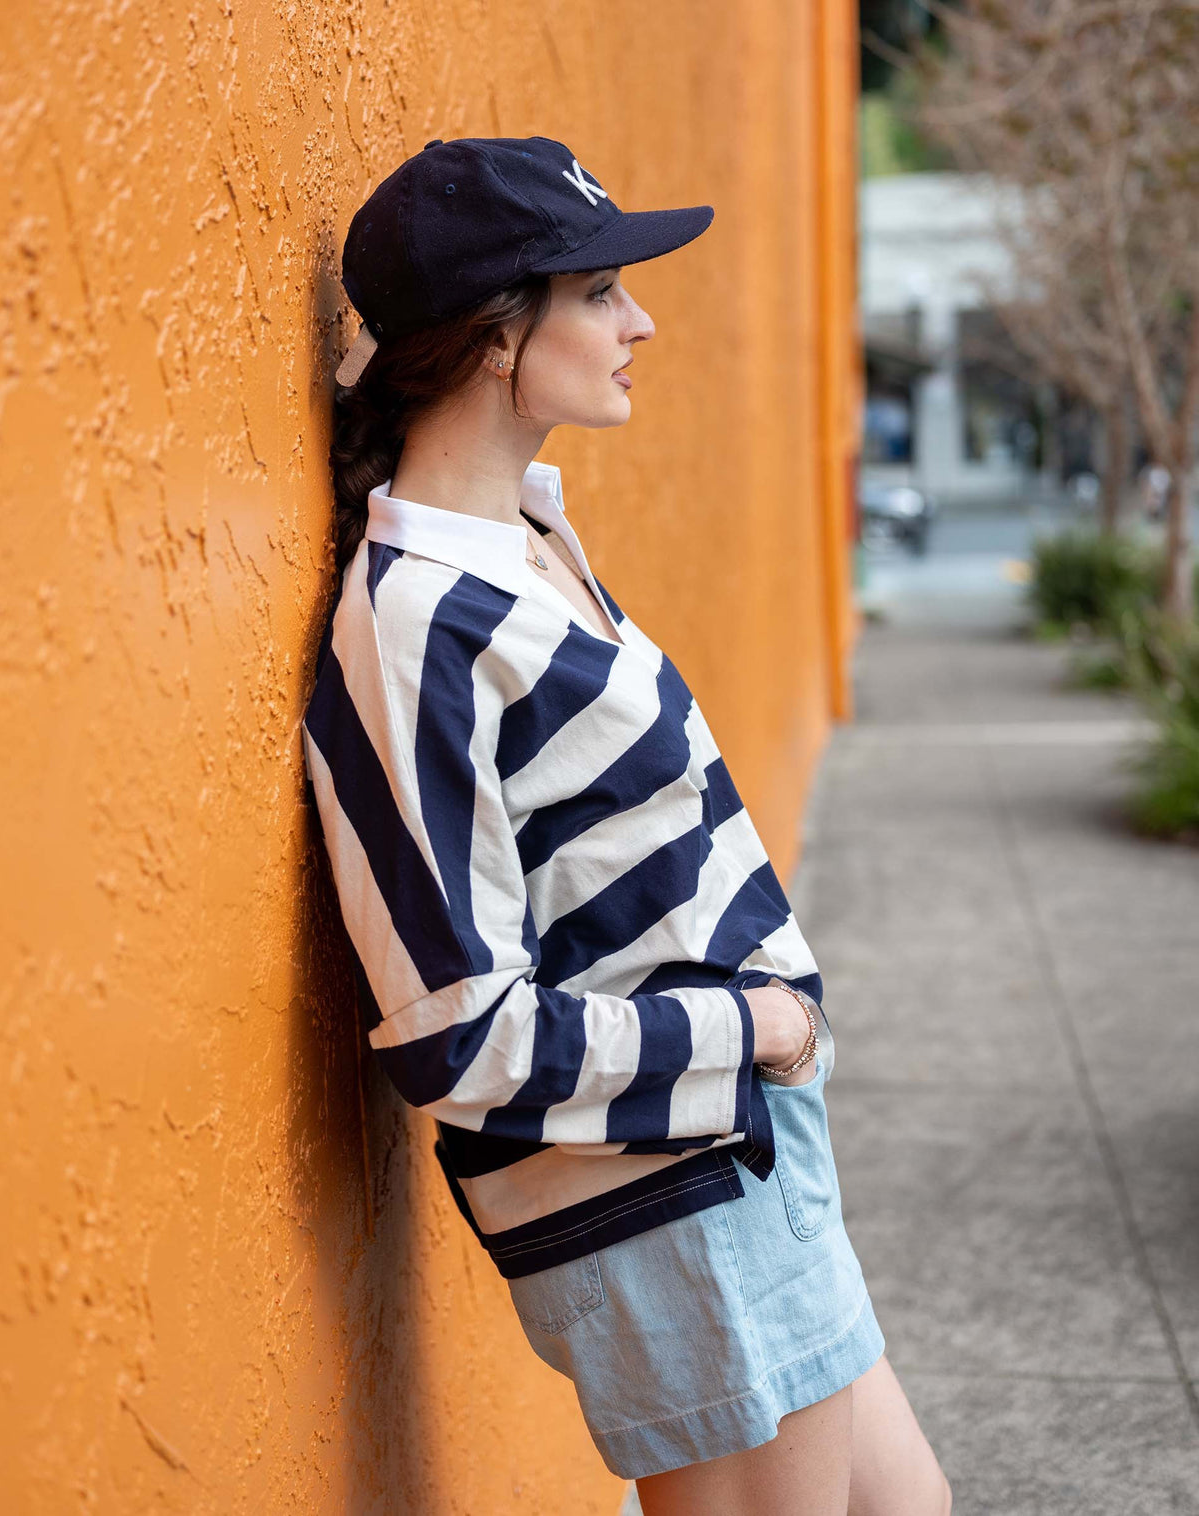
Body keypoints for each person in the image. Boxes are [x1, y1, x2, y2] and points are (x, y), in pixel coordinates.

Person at [302, 135, 950, 1516]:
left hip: (735, 1145)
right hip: (660, 1193)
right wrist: (758, 1029)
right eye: (599, 291)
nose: (640, 320)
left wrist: (776, 1051)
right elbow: (456, 1036)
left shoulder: (530, 531)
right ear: (494, 337)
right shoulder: (419, 621)